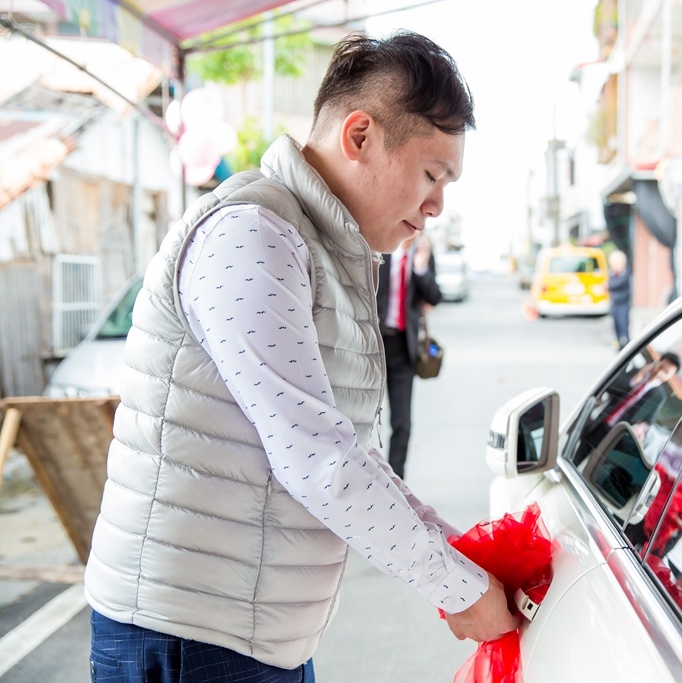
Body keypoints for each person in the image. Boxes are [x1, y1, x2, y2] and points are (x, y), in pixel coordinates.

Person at [84, 31, 519, 682]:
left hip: (253, 635)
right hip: (187, 636)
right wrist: (457, 584)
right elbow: (318, 458)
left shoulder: (319, 245)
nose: (436, 206)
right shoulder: (251, 234)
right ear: (360, 136)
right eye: (432, 175)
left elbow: (349, 454)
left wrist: (463, 557)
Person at [377, 235, 442, 479]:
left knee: (402, 422)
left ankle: (395, 482)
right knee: (365, 416)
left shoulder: (422, 255)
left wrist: (421, 267)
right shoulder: (379, 249)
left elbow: (434, 296)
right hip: (376, 344)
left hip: (404, 347)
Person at [607, 249, 631, 350]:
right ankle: (618, 342)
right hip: (614, 302)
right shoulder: (612, 273)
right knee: (615, 323)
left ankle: (625, 343)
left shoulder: (625, 272)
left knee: (623, 323)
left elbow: (615, 285)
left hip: (623, 302)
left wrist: (609, 286)